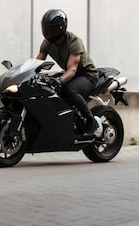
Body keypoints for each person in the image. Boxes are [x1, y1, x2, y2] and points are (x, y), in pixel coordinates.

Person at [36, 9, 99, 139]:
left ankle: (91, 121)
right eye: (46, 29)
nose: (48, 33)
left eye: (51, 29)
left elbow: (72, 69)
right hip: (71, 74)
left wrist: (60, 80)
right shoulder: (47, 43)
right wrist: (25, 72)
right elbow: (37, 62)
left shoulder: (73, 41)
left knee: (71, 90)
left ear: (61, 28)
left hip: (87, 75)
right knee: (47, 86)